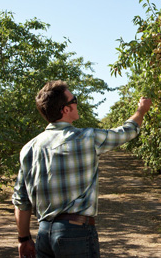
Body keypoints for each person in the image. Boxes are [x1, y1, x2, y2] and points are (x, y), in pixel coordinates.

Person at [12, 80, 152, 258]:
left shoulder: (29, 148)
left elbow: (21, 201)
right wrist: (141, 111)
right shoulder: (86, 138)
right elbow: (126, 132)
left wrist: (23, 239)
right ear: (65, 110)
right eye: (74, 100)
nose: (77, 104)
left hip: (44, 234)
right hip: (76, 233)